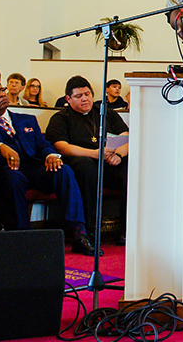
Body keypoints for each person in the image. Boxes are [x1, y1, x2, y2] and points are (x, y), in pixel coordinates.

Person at [0, 78, 96, 254]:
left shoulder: (26, 119)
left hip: (34, 167)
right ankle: (23, 235)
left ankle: (79, 233)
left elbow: (42, 144)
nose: (2, 94)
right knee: (14, 180)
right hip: (7, 168)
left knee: (63, 170)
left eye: (2, 90)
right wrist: (0, 146)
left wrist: (50, 155)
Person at [45, 76, 130, 241]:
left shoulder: (106, 112)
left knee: (130, 170)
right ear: (68, 99)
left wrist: (119, 154)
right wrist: (94, 153)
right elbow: (61, 146)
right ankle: (87, 229)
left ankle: (126, 229)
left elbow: (126, 136)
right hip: (82, 162)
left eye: (87, 94)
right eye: (78, 96)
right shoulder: (61, 118)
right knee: (86, 168)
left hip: (110, 161)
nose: (85, 99)